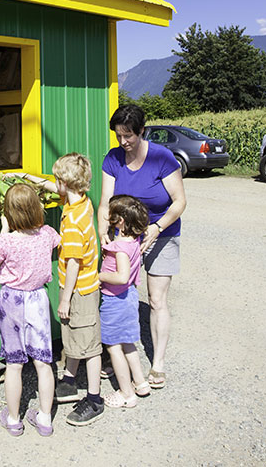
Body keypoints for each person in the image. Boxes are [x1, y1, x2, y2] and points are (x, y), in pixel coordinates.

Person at [6, 153, 105, 426]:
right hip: (82, 288)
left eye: (56, 180)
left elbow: (73, 262)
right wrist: (28, 179)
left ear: (65, 183)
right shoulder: (79, 202)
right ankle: (70, 380)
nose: (54, 184)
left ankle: (95, 398)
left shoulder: (73, 222)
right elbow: (52, 188)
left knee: (90, 345)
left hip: (79, 290)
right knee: (74, 337)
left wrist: (64, 299)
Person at [99, 104, 186, 388]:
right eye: (118, 136)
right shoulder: (113, 158)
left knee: (157, 299)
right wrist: (104, 232)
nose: (123, 142)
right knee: (121, 294)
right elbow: (105, 202)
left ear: (141, 131)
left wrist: (157, 227)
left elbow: (179, 202)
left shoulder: (162, 158)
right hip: (125, 238)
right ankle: (119, 354)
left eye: (128, 136)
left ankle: (157, 364)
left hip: (161, 234)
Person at [0, 183, 60, 437]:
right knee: (43, 362)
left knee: (14, 364)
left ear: (8, 213)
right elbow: (57, 241)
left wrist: (5, 229)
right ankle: (44, 419)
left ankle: (12, 419)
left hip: (12, 300)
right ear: (36, 207)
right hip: (38, 300)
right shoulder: (48, 234)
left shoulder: (5, 241)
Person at [99, 194, 151, 408]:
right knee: (128, 343)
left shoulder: (119, 248)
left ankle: (126, 393)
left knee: (114, 347)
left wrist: (99, 276)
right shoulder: (134, 241)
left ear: (120, 221)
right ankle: (140, 383)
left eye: (111, 215)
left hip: (115, 301)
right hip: (130, 297)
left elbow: (121, 276)